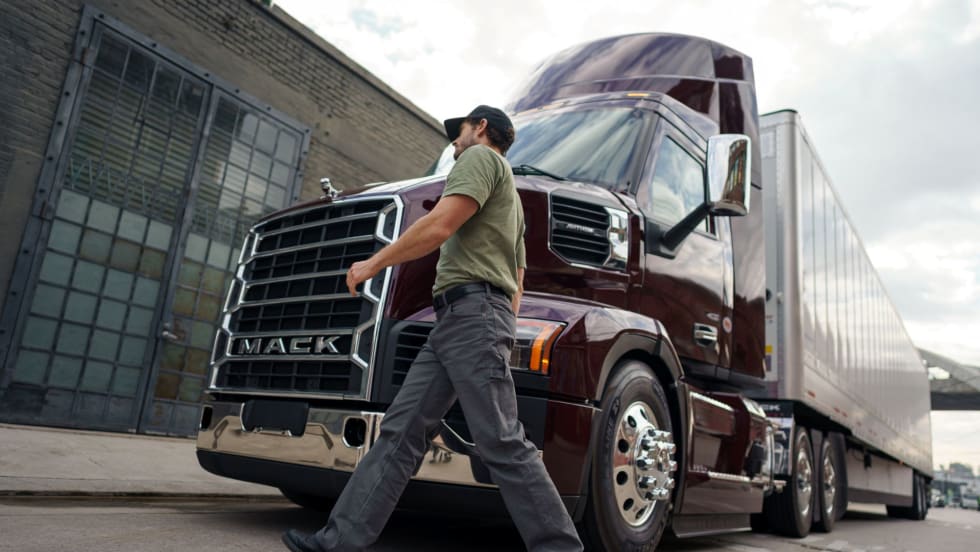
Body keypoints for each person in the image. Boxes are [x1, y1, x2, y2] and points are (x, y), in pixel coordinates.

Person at [281, 105, 584, 552]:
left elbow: (440, 225)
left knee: (500, 438)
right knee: (402, 432)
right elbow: (517, 282)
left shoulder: (481, 160)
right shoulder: (513, 203)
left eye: (459, 131)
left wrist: (373, 263)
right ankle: (340, 540)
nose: (454, 141)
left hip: (472, 315)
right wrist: (499, 325)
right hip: (464, 320)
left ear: (480, 127)